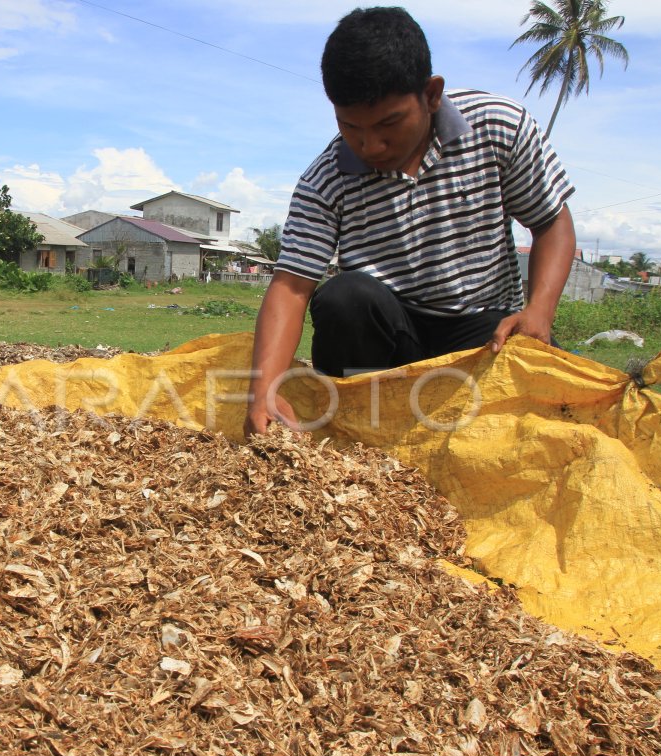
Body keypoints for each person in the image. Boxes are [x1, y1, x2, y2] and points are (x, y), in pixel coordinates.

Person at [245, 6, 576, 438]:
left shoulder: (498, 127)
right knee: (345, 297)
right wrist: (265, 389)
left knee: (552, 417)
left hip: (482, 332)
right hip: (388, 341)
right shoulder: (327, 178)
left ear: (431, 94)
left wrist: (538, 312)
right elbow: (292, 286)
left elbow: (551, 223)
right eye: (350, 126)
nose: (371, 145)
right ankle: (362, 426)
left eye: (389, 123)